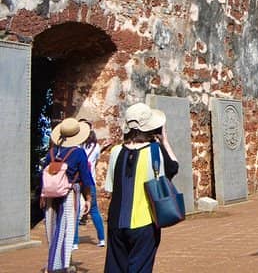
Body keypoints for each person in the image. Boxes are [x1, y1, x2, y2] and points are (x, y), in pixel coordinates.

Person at [103, 102, 178, 273]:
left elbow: (111, 187)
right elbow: (173, 167)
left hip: (116, 222)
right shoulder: (154, 150)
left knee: (115, 268)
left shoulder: (115, 151)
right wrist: (165, 141)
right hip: (145, 222)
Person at [41, 117, 94, 273]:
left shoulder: (51, 152)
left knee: (52, 230)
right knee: (67, 229)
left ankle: (56, 261)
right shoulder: (78, 153)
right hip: (69, 193)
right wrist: (88, 199)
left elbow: (43, 174)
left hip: (50, 195)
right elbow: (86, 178)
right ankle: (59, 266)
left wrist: (43, 195)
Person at [75, 120, 105, 248]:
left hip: (77, 182)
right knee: (94, 211)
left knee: (75, 212)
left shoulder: (76, 147)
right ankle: (102, 239)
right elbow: (95, 161)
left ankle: (74, 242)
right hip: (90, 181)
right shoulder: (96, 147)